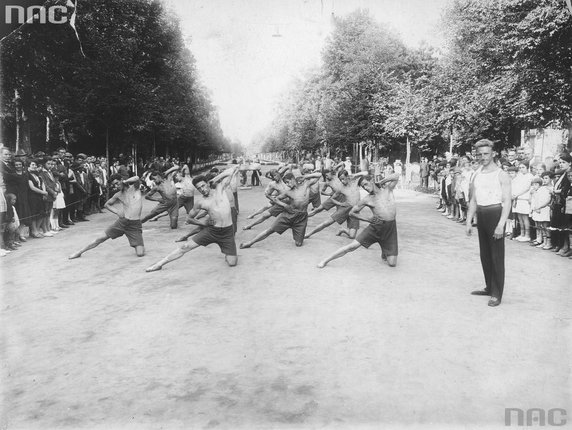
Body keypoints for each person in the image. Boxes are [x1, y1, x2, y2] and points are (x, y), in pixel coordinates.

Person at [145, 166, 239, 272]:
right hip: (212, 231)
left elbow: (232, 170)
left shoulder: (220, 189)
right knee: (185, 247)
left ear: (208, 183)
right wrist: (202, 223)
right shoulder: (201, 202)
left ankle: (227, 252)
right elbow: (189, 218)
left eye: (203, 186)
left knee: (232, 263)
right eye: (199, 188)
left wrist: (214, 179)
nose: (202, 190)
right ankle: (159, 264)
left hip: (227, 232)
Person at [316, 173, 400, 268]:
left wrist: (380, 182)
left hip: (390, 228)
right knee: (352, 246)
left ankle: (384, 251)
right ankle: (326, 260)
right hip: (376, 227)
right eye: (363, 187)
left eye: (366, 184)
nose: (365, 188)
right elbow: (352, 213)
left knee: (392, 263)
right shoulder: (367, 199)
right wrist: (368, 219)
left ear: (371, 180)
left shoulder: (388, 190)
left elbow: (396, 176)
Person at [465, 139, 512, 307]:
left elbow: (507, 202)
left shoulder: (501, 174)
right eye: (480, 154)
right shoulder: (477, 173)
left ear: (493, 154)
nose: (483, 157)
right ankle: (489, 287)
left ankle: (497, 293)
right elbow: (473, 199)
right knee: (485, 254)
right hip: (482, 214)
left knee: (496, 256)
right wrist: (469, 220)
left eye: (486, 153)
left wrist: (501, 224)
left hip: (495, 214)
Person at [68, 175, 145, 259]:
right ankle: (79, 252)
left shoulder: (135, 188)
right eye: (114, 185)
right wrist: (117, 211)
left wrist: (125, 181)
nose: (116, 186)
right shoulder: (118, 194)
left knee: (140, 253)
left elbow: (137, 178)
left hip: (135, 224)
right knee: (100, 238)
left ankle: (136, 242)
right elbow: (107, 205)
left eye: (117, 183)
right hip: (123, 222)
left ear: (122, 180)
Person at [239, 171, 321, 249]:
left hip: (301, 217)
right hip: (289, 215)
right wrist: (284, 205)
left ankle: (293, 228)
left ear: (293, 179)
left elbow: (319, 174)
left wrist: (305, 176)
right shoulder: (288, 192)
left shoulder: (306, 185)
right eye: (286, 183)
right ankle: (250, 243)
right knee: (270, 230)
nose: (288, 185)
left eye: (288, 182)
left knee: (298, 244)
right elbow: (276, 199)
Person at [304, 169, 365, 239]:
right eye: (340, 180)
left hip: (355, 210)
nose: (342, 181)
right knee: (327, 222)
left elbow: (365, 173)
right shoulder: (340, 188)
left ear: (347, 176)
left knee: (352, 236)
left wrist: (355, 175)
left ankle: (343, 230)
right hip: (346, 207)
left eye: (343, 179)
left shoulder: (355, 181)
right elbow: (332, 198)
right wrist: (339, 203)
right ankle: (309, 234)